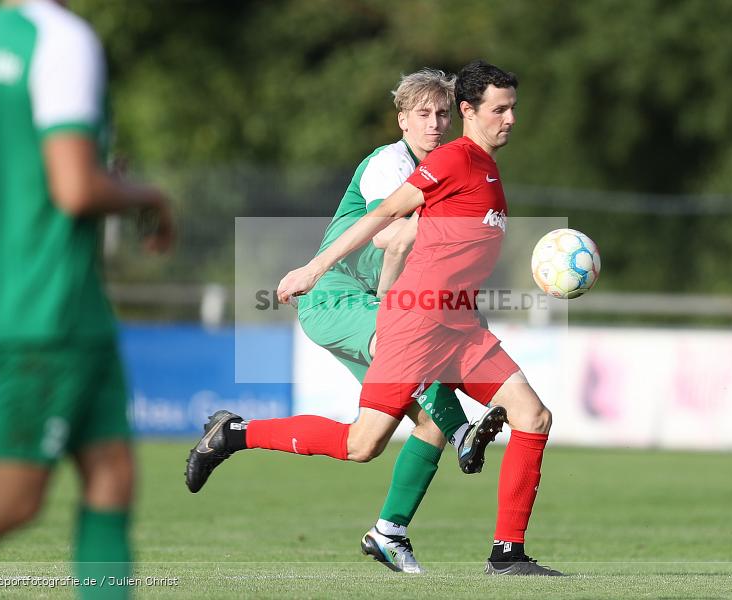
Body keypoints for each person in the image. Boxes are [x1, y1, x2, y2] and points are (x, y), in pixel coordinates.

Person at [185, 68, 506, 574]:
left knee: (371, 442)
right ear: (402, 120)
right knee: (411, 369)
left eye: (442, 113)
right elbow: (389, 239)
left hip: (386, 307)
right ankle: (465, 430)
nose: (435, 123)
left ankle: (239, 438)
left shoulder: (450, 167)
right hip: (336, 296)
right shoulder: (389, 164)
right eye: (423, 113)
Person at [0, 0, 173, 596]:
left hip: (46, 304)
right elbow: (75, 188)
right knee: (12, 497)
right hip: (51, 308)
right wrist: (144, 193)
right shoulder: (61, 39)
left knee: (111, 477)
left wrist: (30, 205)